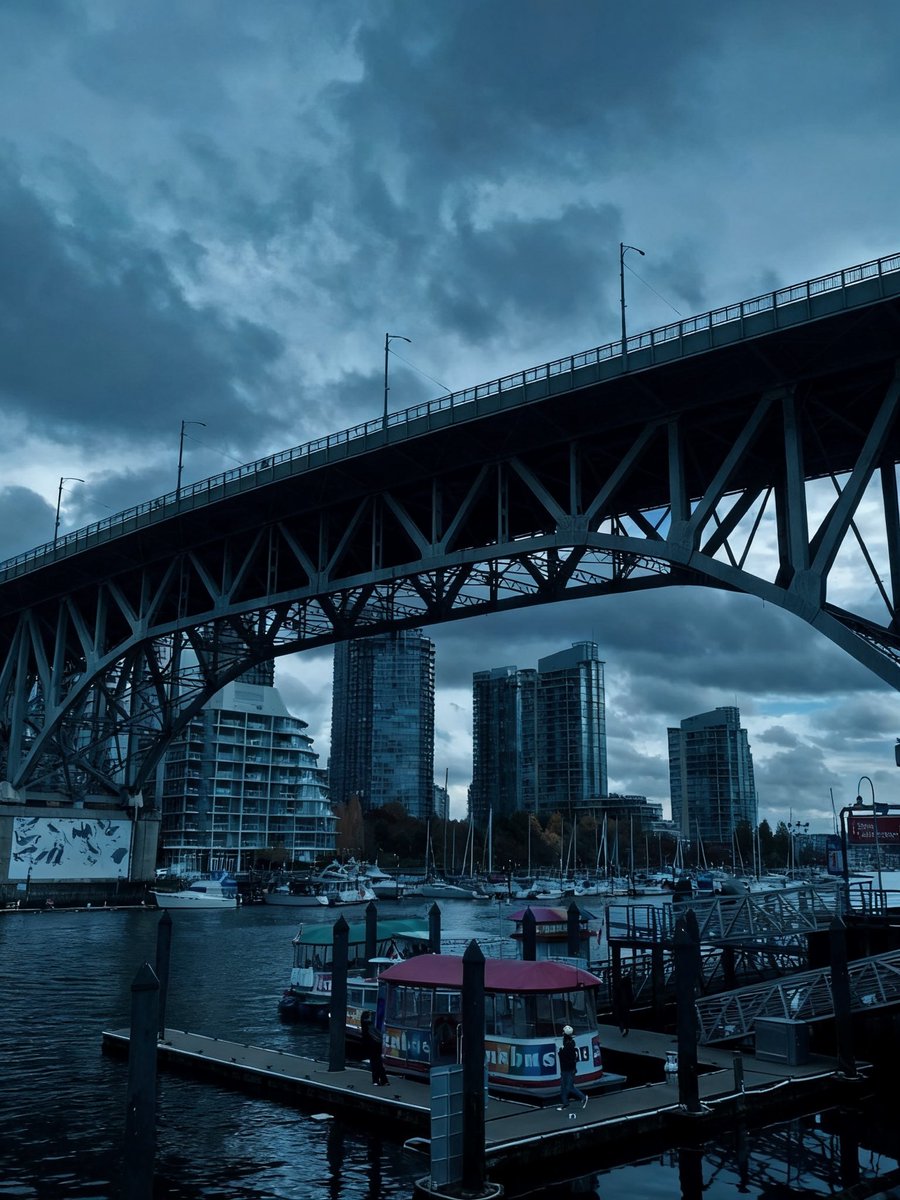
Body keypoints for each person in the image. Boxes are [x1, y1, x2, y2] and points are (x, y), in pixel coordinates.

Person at [556, 1025, 587, 1111]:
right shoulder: (567, 1043)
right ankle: (565, 1103)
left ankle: (583, 1097)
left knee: (569, 1087)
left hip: (569, 1069)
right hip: (565, 1069)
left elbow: (567, 1057)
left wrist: (561, 1051)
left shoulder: (569, 1045)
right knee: (563, 1087)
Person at [361, 1011, 388, 1086]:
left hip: (371, 1046)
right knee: (378, 1062)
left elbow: (365, 1037)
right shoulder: (372, 1025)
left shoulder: (365, 1025)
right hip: (377, 1045)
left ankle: (376, 1080)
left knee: (374, 1063)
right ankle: (384, 1080)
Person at [613, 970, 634, 1036]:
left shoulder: (619, 987)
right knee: (626, 1017)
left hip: (619, 1004)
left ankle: (623, 1029)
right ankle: (626, 1028)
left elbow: (615, 996)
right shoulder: (628, 986)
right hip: (625, 1004)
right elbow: (630, 995)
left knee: (620, 1017)